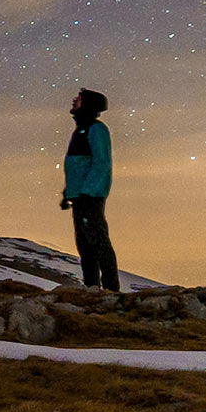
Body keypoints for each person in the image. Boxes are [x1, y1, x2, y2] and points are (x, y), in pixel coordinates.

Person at [58, 87, 119, 291]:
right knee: (85, 245)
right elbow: (78, 167)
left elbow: (101, 163)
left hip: (89, 197)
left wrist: (88, 192)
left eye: (79, 99)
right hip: (81, 197)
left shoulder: (95, 129)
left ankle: (111, 290)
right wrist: (69, 194)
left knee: (98, 242)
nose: (74, 100)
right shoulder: (82, 130)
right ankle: (92, 288)